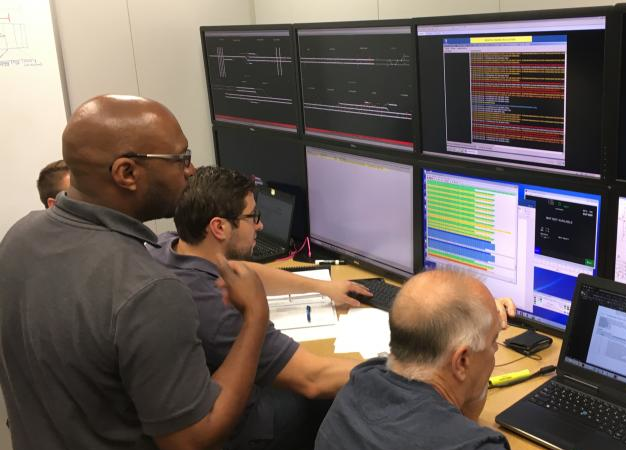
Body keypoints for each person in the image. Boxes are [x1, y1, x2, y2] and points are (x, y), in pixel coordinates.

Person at [0, 94, 270, 450]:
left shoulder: (19, 236)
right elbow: (193, 438)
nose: (191, 170)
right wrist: (255, 317)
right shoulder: (148, 289)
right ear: (126, 173)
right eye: (181, 158)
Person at [147, 165, 369, 450]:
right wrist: (400, 369)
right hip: (242, 427)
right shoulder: (216, 305)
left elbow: (241, 270)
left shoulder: (168, 246)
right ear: (219, 227)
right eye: (253, 217)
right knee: (329, 399)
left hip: (194, 401)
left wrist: (323, 287)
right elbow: (313, 378)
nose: (260, 226)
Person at [315, 269, 511, 450]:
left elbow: (463, 420)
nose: (494, 349)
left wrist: (483, 321)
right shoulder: (478, 446)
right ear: (461, 361)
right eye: (493, 341)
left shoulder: (358, 382)